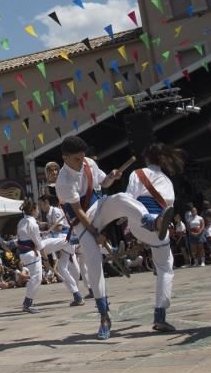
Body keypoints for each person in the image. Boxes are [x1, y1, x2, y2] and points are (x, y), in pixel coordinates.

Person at [55, 136, 173, 340]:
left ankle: (152, 222)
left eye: (83, 157)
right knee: (93, 264)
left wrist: (112, 177)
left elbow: (103, 182)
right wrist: (96, 234)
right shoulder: (63, 181)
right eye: (76, 159)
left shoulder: (88, 163)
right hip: (83, 223)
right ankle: (104, 316)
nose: (82, 162)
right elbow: (79, 213)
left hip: (99, 207)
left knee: (121, 198)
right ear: (65, 158)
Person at [123, 143, 184, 332]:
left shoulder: (137, 173)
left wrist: (125, 219)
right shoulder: (167, 180)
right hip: (158, 229)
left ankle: (123, 244)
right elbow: (169, 207)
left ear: (147, 158)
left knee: (120, 204)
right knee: (166, 268)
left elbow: (128, 197)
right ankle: (159, 315)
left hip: (137, 222)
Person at [36, 195, 83, 306]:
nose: (40, 207)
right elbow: (53, 230)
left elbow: (59, 228)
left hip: (64, 238)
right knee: (63, 269)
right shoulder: (48, 214)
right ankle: (77, 295)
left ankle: (78, 239)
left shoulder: (56, 211)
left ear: (46, 202)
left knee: (41, 247)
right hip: (60, 242)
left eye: (41, 204)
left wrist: (45, 225)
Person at [15, 199, 44, 313]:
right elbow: (39, 244)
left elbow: (26, 236)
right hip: (32, 255)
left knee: (35, 278)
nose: (38, 211)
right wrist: (46, 258)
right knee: (37, 278)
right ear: (32, 211)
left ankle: (27, 303)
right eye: (37, 209)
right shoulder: (33, 224)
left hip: (24, 254)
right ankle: (27, 304)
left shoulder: (21, 221)